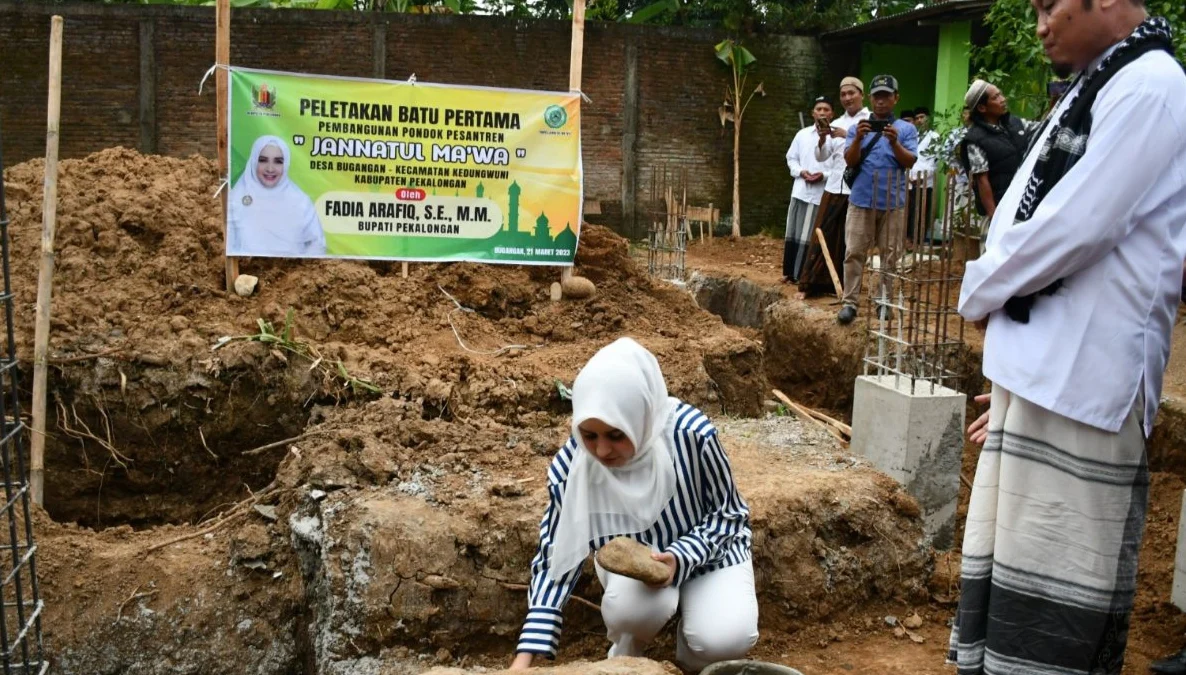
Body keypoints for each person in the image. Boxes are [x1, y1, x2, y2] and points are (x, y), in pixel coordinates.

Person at [949, 0, 1186, 672]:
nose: (1040, 23)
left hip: (1085, 391)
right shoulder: (1100, 83)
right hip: (1043, 383)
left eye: (1049, 5)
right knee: (1013, 592)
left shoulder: (1152, 85)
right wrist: (1014, 384)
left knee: (1050, 613)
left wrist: (981, 287)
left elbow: (1078, 226)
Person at [510, 338, 758, 672]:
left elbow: (730, 516)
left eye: (616, 435)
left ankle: (690, 659)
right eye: (589, 434)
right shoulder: (575, 465)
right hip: (635, 568)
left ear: (639, 417)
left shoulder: (690, 434)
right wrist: (524, 658)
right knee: (630, 612)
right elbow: (556, 553)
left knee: (723, 640)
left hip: (711, 554)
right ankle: (626, 660)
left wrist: (681, 558)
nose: (600, 451)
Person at [836, 74, 918, 325]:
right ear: (871, 99)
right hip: (861, 200)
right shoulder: (856, 128)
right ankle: (850, 303)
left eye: (887, 96)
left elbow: (910, 161)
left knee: (890, 256)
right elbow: (850, 160)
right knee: (854, 252)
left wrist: (894, 143)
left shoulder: (906, 129)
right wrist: (859, 138)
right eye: (877, 96)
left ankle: (884, 302)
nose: (881, 101)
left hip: (893, 202)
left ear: (896, 98)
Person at [797, 77, 870, 298]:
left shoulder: (869, 120)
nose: (847, 98)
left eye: (851, 93)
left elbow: (873, 148)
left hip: (855, 188)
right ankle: (813, 284)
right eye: (843, 95)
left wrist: (847, 135)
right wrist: (822, 139)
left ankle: (848, 288)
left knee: (850, 240)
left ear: (861, 94)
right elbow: (823, 156)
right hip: (833, 187)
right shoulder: (836, 120)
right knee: (822, 234)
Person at [958, 80, 1039, 254]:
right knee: (994, 256)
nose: (1003, 99)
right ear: (982, 108)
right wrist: (994, 216)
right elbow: (982, 180)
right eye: (996, 97)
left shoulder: (1015, 124)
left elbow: (1043, 129)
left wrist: (1056, 101)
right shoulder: (975, 139)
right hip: (999, 208)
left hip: (1023, 203)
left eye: (1001, 94)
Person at [228, 135, 327, 257]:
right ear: (253, 161)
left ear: (286, 164)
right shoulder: (236, 197)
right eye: (263, 160)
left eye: (278, 162)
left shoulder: (300, 201)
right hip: (246, 273)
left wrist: (297, 269)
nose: (270, 169)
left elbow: (317, 243)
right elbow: (228, 242)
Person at [782, 96, 835, 284]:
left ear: (832, 114)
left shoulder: (835, 137)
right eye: (818, 109)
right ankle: (788, 272)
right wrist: (800, 172)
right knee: (793, 232)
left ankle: (800, 274)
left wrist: (823, 175)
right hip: (800, 190)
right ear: (813, 113)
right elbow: (791, 158)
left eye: (826, 109)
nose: (822, 112)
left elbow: (839, 166)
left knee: (808, 235)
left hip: (820, 193)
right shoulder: (802, 134)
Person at [907, 106, 940, 247]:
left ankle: (919, 240)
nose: (920, 121)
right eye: (917, 118)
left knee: (922, 211)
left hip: (926, 181)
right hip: (910, 180)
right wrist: (909, 175)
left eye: (922, 117)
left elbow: (935, 161)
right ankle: (908, 239)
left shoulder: (935, 137)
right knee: (910, 212)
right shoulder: (913, 136)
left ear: (928, 118)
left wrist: (923, 178)